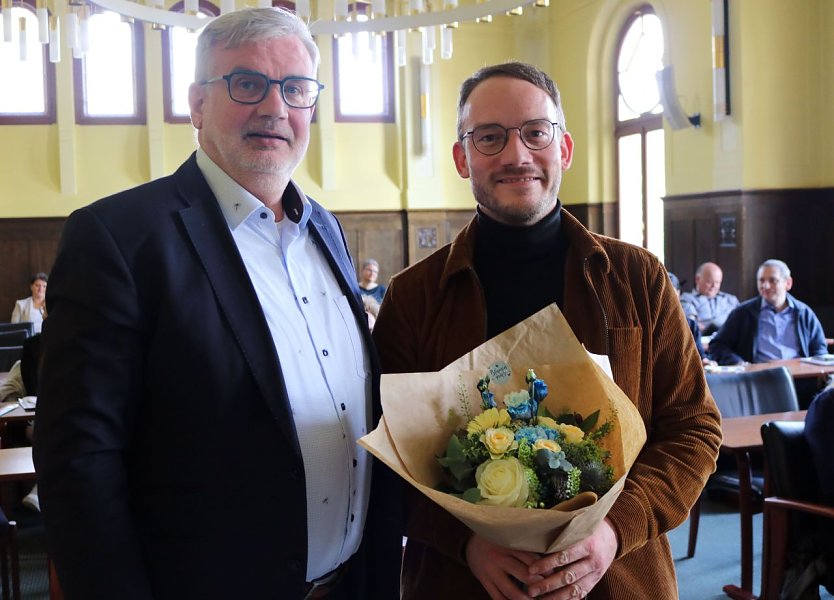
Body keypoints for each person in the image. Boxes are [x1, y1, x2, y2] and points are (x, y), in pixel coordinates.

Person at [34, 8, 399, 599]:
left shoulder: (325, 229)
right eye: (246, 83)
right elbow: (80, 464)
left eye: (295, 89)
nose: (274, 108)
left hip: (350, 583)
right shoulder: (121, 238)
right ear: (197, 104)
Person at [373, 62, 722, 600]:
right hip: (461, 582)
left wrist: (613, 530)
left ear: (563, 149)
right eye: (489, 137)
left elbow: (692, 429)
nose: (517, 155)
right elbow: (385, 457)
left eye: (536, 132)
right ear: (462, 158)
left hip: (618, 577)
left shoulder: (638, 279)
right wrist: (465, 541)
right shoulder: (415, 295)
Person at [707, 259, 828, 366]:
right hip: (760, 380)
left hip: (802, 378)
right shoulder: (743, 313)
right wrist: (739, 364)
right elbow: (718, 345)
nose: (765, 285)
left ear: (788, 283)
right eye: (761, 280)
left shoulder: (804, 313)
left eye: (772, 280)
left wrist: (817, 367)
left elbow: (819, 348)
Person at [679, 262, 739, 335]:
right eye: (709, 282)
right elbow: (692, 325)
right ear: (697, 279)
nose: (714, 286)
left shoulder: (731, 300)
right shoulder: (687, 299)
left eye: (717, 282)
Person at [668, 272, 715, 366]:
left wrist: (706, 363)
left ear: (678, 293)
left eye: (671, 292)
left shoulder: (691, 325)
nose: (666, 298)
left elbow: (700, 357)